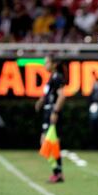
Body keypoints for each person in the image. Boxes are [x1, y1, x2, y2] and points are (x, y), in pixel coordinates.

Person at [35, 55, 66, 183]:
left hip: (52, 114)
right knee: (50, 143)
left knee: (48, 143)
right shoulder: (51, 78)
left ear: (53, 64)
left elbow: (62, 96)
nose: (44, 65)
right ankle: (57, 172)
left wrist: (55, 111)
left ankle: (57, 172)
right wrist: (41, 101)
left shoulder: (57, 77)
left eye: (46, 62)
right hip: (48, 113)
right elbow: (49, 94)